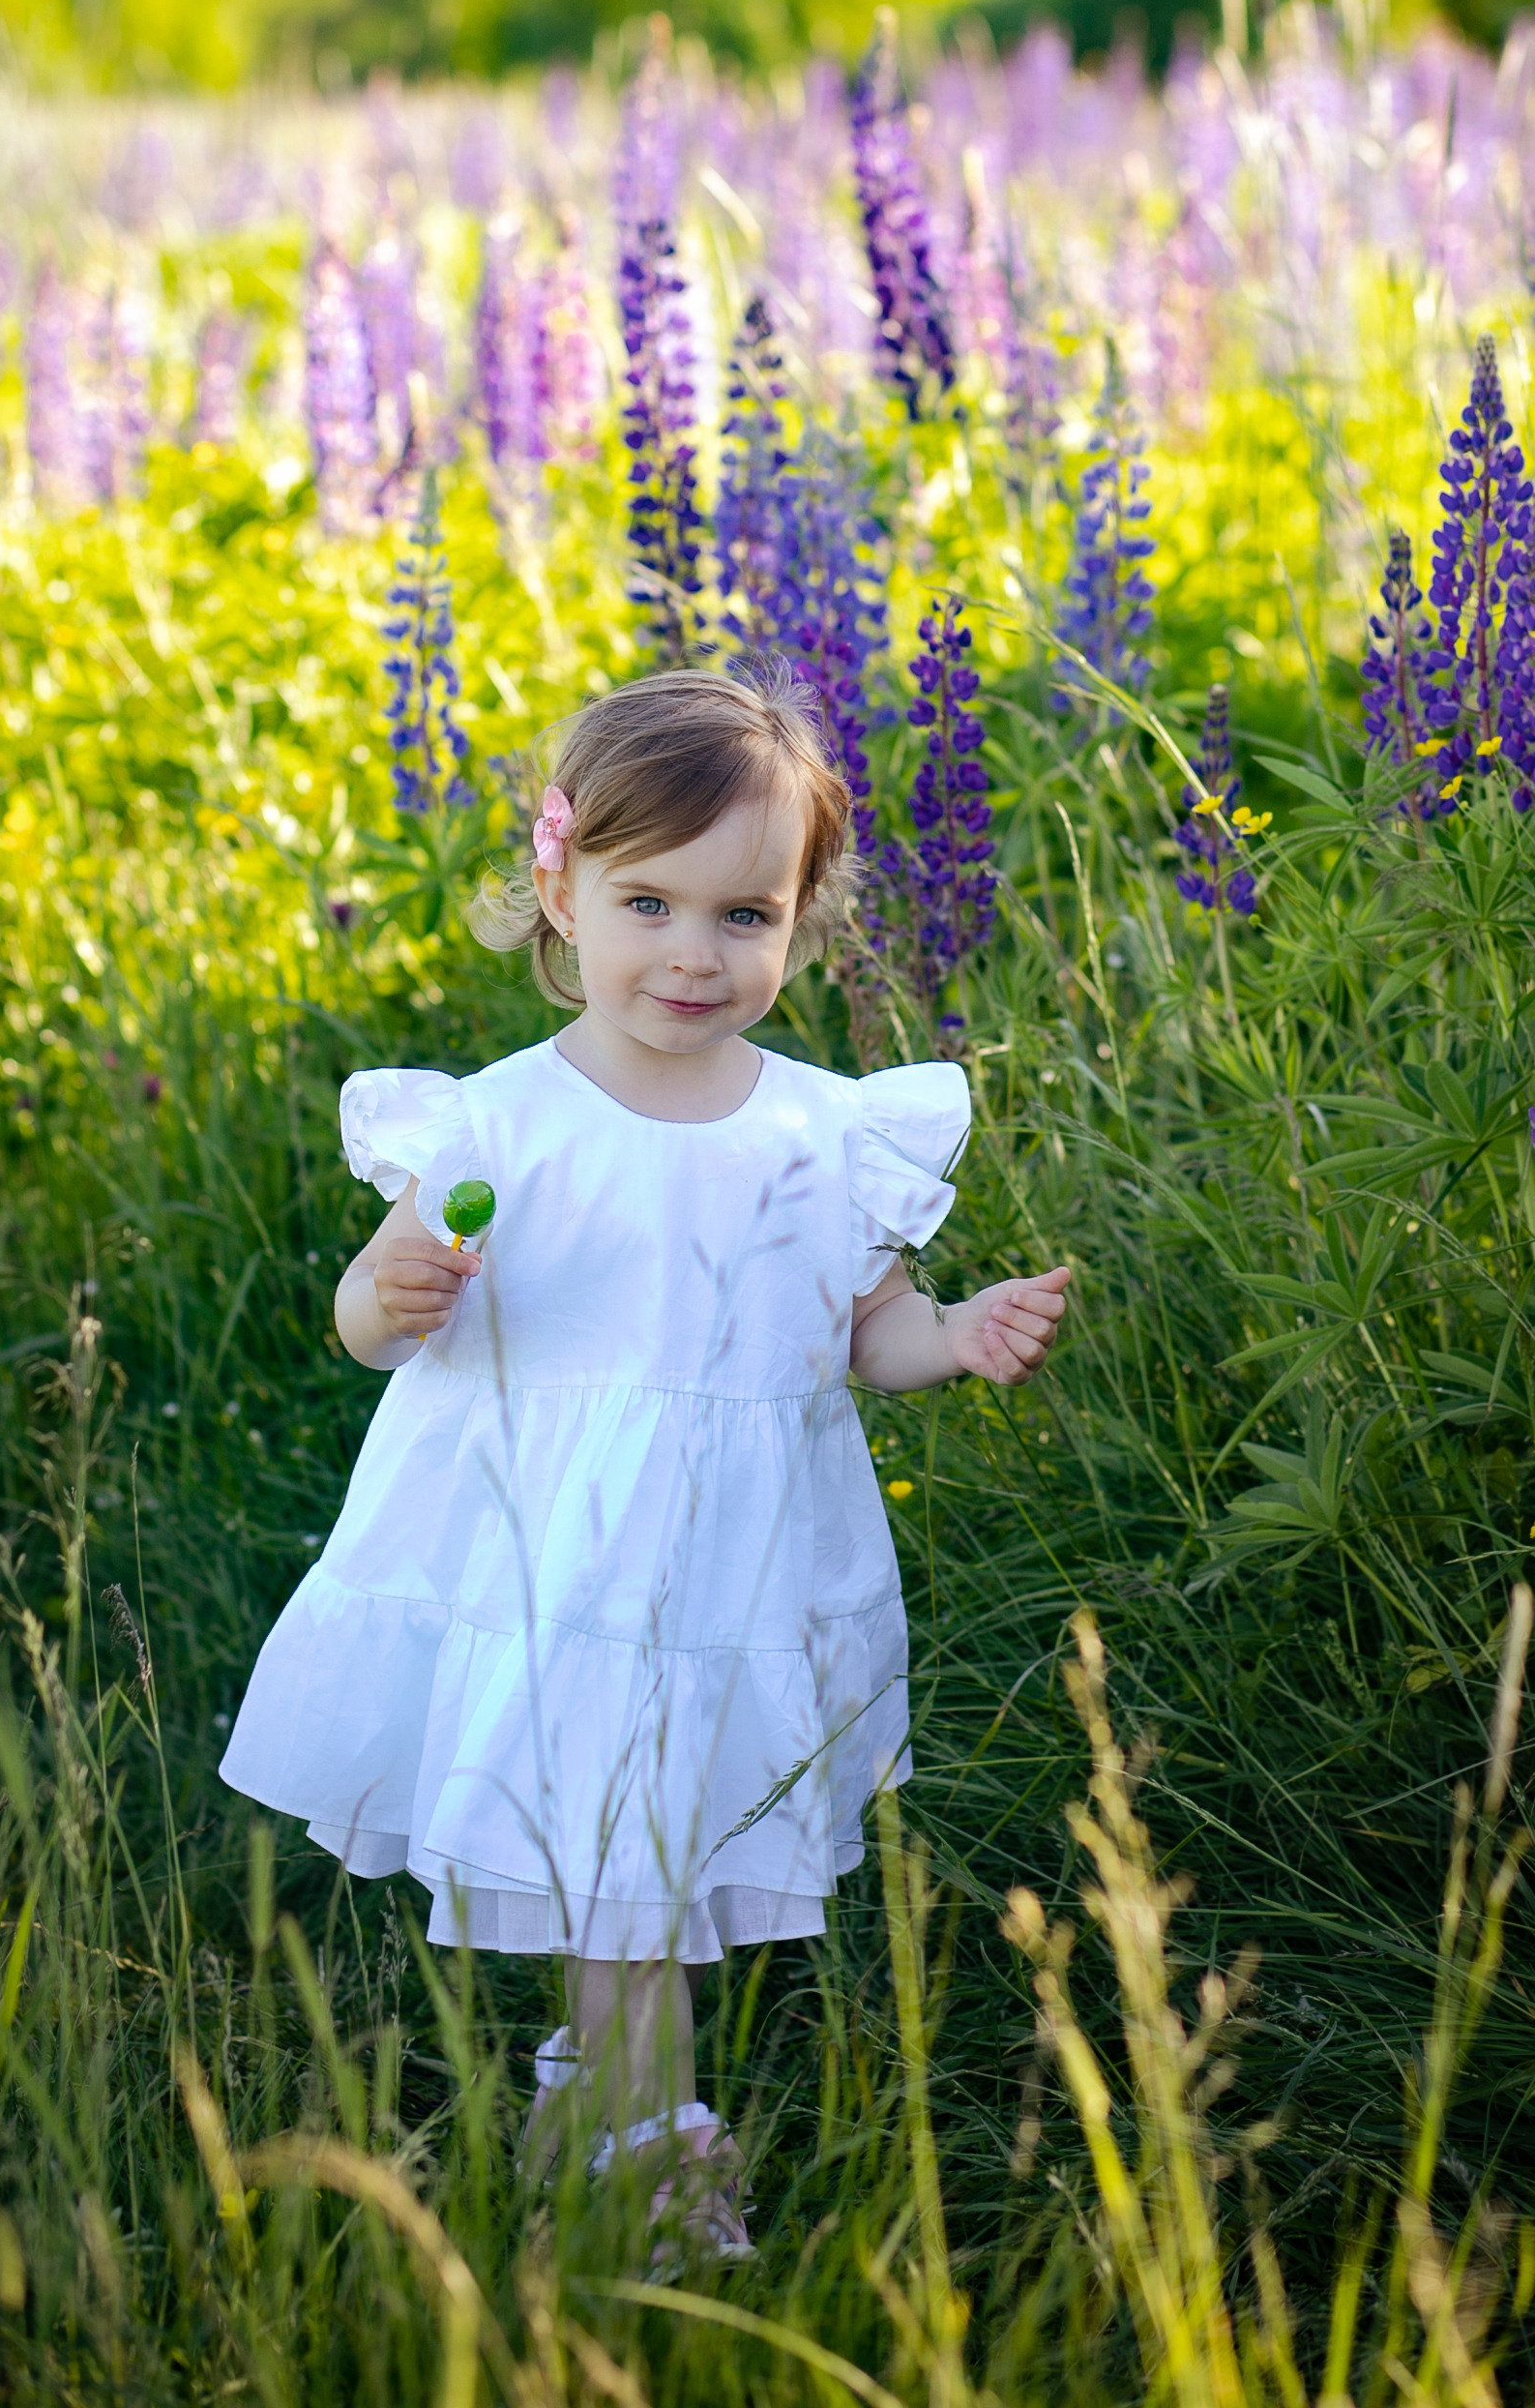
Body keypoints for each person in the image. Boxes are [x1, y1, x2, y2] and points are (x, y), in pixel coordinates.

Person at [220, 661, 1069, 2253]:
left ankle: (588, 2116)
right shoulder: (497, 1126)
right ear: (561, 887)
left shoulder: (825, 1135)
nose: (694, 954)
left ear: (803, 920)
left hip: (731, 1575)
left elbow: (863, 1330)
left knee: (654, 1864)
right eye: (650, 904)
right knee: (622, 1871)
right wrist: (380, 1294)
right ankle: (646, 2179)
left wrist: (953, 1337)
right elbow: (377, 1312)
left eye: (744, 916)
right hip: (549, 1563)